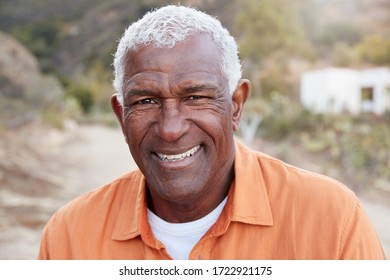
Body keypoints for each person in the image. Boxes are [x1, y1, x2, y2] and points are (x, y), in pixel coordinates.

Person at [38, 5, 386, 260]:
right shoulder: (68, 238)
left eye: (196, 97)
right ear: (121, 115)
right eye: (146, 100)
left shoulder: (331, 221)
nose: (171, 129)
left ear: (236, 105)